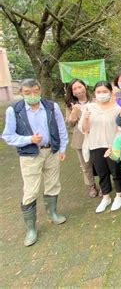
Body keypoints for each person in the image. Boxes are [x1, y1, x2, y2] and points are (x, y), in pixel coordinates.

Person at [2, 79, 68, 246]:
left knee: (53, 184)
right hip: (30, 154)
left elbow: (61, 129)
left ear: (39, 90)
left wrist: (62, 148)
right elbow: (8, 136)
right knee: (30, 190)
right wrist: (29, 139)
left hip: (51, 151)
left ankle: (52, 213)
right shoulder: (14, 110)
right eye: (27, 92)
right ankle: (31, 228)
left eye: (35, 91)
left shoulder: (51, 107)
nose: (32, 95)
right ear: (21, 93)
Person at [79, 81, 121, 213]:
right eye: (99, 92)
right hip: (96, 145)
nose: (102, 94)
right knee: (102, 172)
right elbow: (84, 129)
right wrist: (86, 118)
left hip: (113, 145)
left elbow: (120, 129)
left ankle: (119, 195)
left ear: (111, 93)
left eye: (105, 92)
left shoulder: (117, 109)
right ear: (94, 93)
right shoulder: (89, 108)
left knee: (116, 171)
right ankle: (106, 197)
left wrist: (115, 145)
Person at [64, 79, 99, 198]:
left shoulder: (96, 100)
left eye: (80, 87)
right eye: (74, 89)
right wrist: (74, 112)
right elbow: (70, 124)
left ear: (85, 86)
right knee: (86, 164)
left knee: (100, 162)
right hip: (80, 139)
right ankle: (92, 186)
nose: (78, 90)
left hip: (97, 136)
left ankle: (105, 184)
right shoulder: (71, 105)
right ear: (71, 92)